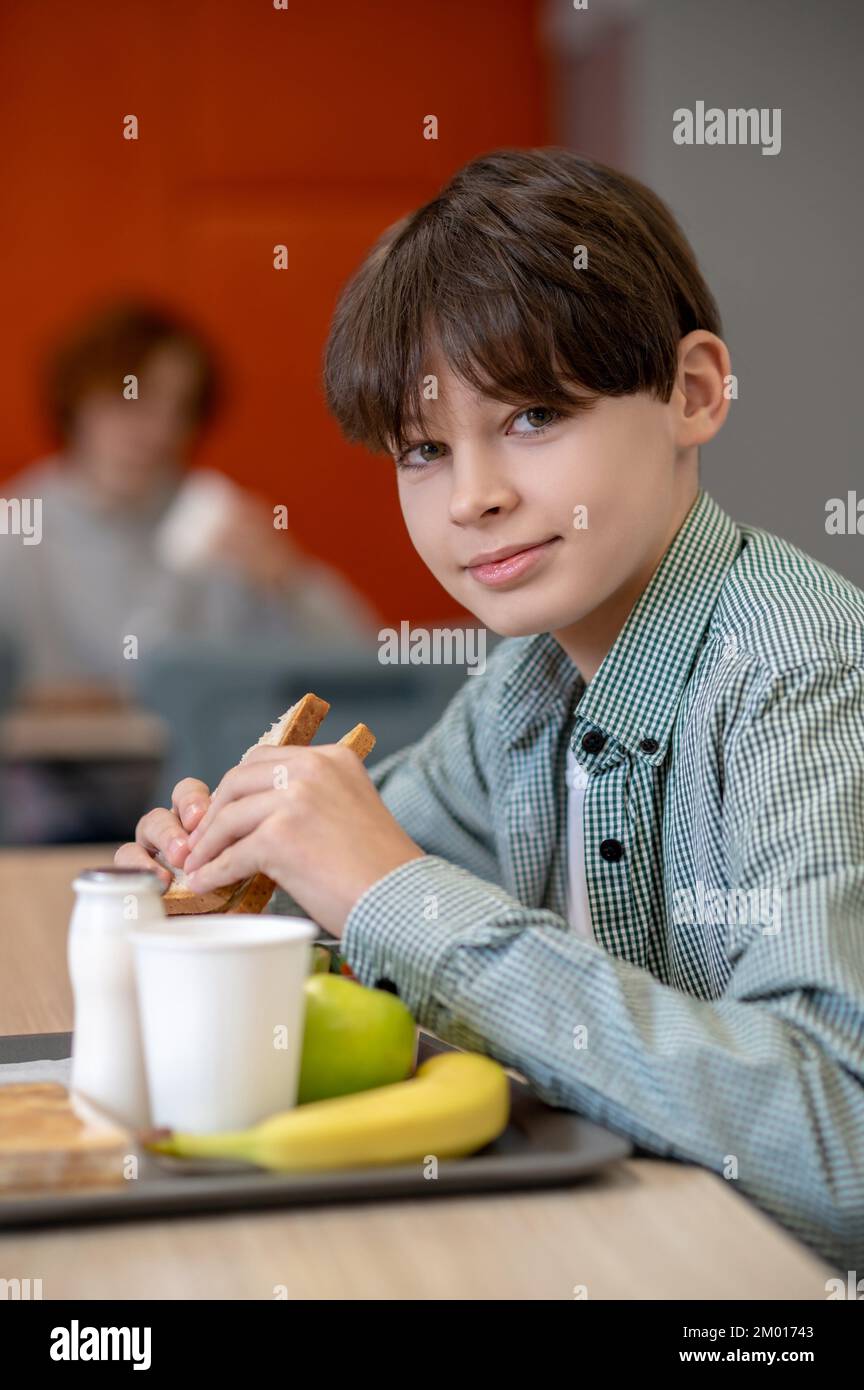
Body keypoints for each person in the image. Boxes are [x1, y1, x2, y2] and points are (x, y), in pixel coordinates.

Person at [117, 148, 864, 1271]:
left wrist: (388, 890)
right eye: (424, 448)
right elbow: (346, 909)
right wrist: (228, 880)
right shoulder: (525, 685)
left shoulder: (804, 674)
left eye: (532, 416)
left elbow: (838, 1147)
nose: (473, 497)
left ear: (695, 392)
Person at [0, 300, 378, 692]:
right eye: (132, 398)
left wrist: (289, 581)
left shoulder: (222, 529)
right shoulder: (15, 530)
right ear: (78, 400)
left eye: (178, 410)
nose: (158, 431)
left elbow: (365, 666)